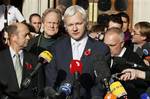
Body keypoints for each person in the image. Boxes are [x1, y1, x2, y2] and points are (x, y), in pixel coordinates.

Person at [45, 5, 111, 99]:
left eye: (78, 24)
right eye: (70, 25)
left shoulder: (101, 49)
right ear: (65, 27)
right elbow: (51, 79)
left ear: (86, 23)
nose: (74, 28)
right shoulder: (57, 47)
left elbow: (101, 83)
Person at [104, 27, 148, 99]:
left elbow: (143, 83)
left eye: (112, 45)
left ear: (122, 44)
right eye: (105, 45)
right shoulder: (102, 55)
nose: (107, 48)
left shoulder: (133, 58)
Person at [0, 23, 40, 99]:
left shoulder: (35, 60)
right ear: (13, 37)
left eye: (29, 34)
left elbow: (40, 89)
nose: (28, 38)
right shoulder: (1, 58)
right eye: (25, 35)